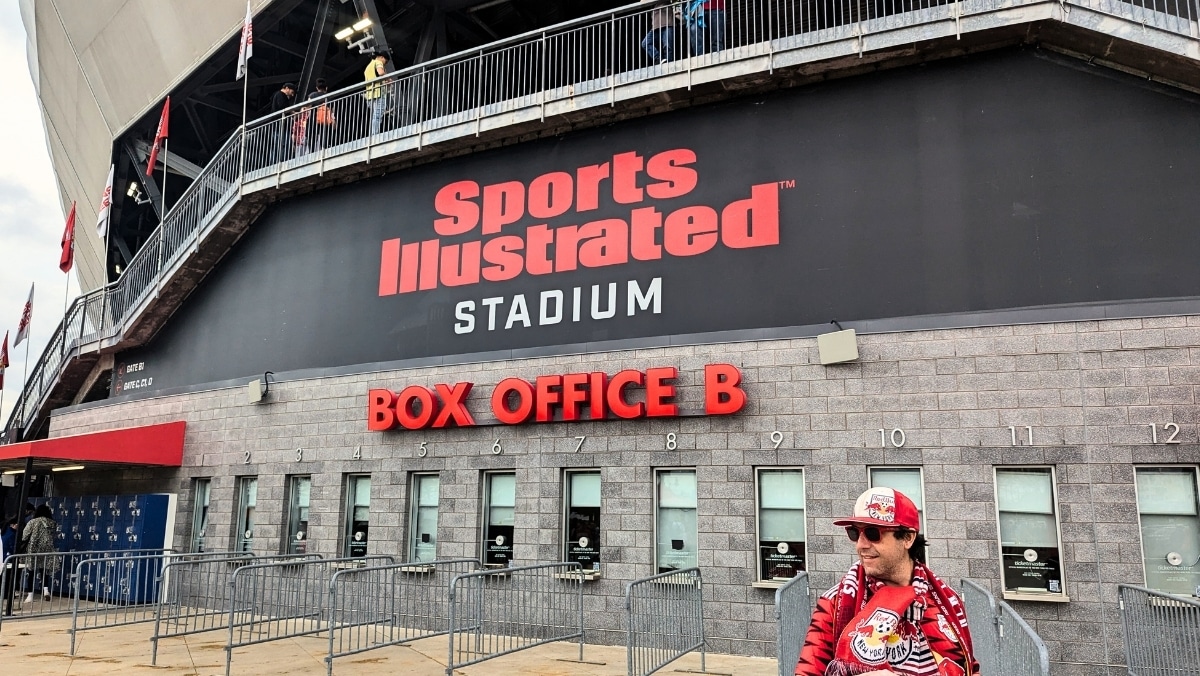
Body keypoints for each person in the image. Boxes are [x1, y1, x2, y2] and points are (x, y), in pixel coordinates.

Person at [796, 488, 978, 676]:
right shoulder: (835, 604)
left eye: (873, 533)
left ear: (907, 538)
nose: (861, 544)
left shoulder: (947, 601)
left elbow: (970, 667)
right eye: (854, 533)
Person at [20, 504, 58, 603]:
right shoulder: (52, 523)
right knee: (44, 570)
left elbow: (24, 535)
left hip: (34, 549)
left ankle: (30, 595)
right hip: (47, 549)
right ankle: (46, 590)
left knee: (31, 571)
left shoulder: (33, 522)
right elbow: (54, 536)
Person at [269, 83, 296, 164]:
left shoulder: (276, 95)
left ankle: (274, 163)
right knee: (284, 145)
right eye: (292, 92)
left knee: (277, 146)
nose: (292, 95)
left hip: (276, 125)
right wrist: (292, 112)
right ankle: (283, 162)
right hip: (281, 126)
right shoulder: (281, 95)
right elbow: (283, 107)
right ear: (287, 88)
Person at [364, 54, 390, 136]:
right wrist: (388, 79)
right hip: (379, 93)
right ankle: (375, 134)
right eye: (385, 62)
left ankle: (373, 133)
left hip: (370, 95)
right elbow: (381, 72)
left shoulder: (368, 67)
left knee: (375, 115)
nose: (384, 64)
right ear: (382, 57)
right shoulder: (378, 62)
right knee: (378, 115)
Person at [307, 78, 335, 153]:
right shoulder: (329, 96)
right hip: (325, 119)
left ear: (317, 88)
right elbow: (332, 111)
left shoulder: (312, 95)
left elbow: (308, 107)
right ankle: (325, 152)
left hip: (314, 119)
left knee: (312, 137)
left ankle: (311, 153)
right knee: (325, 136)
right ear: (326, 88)